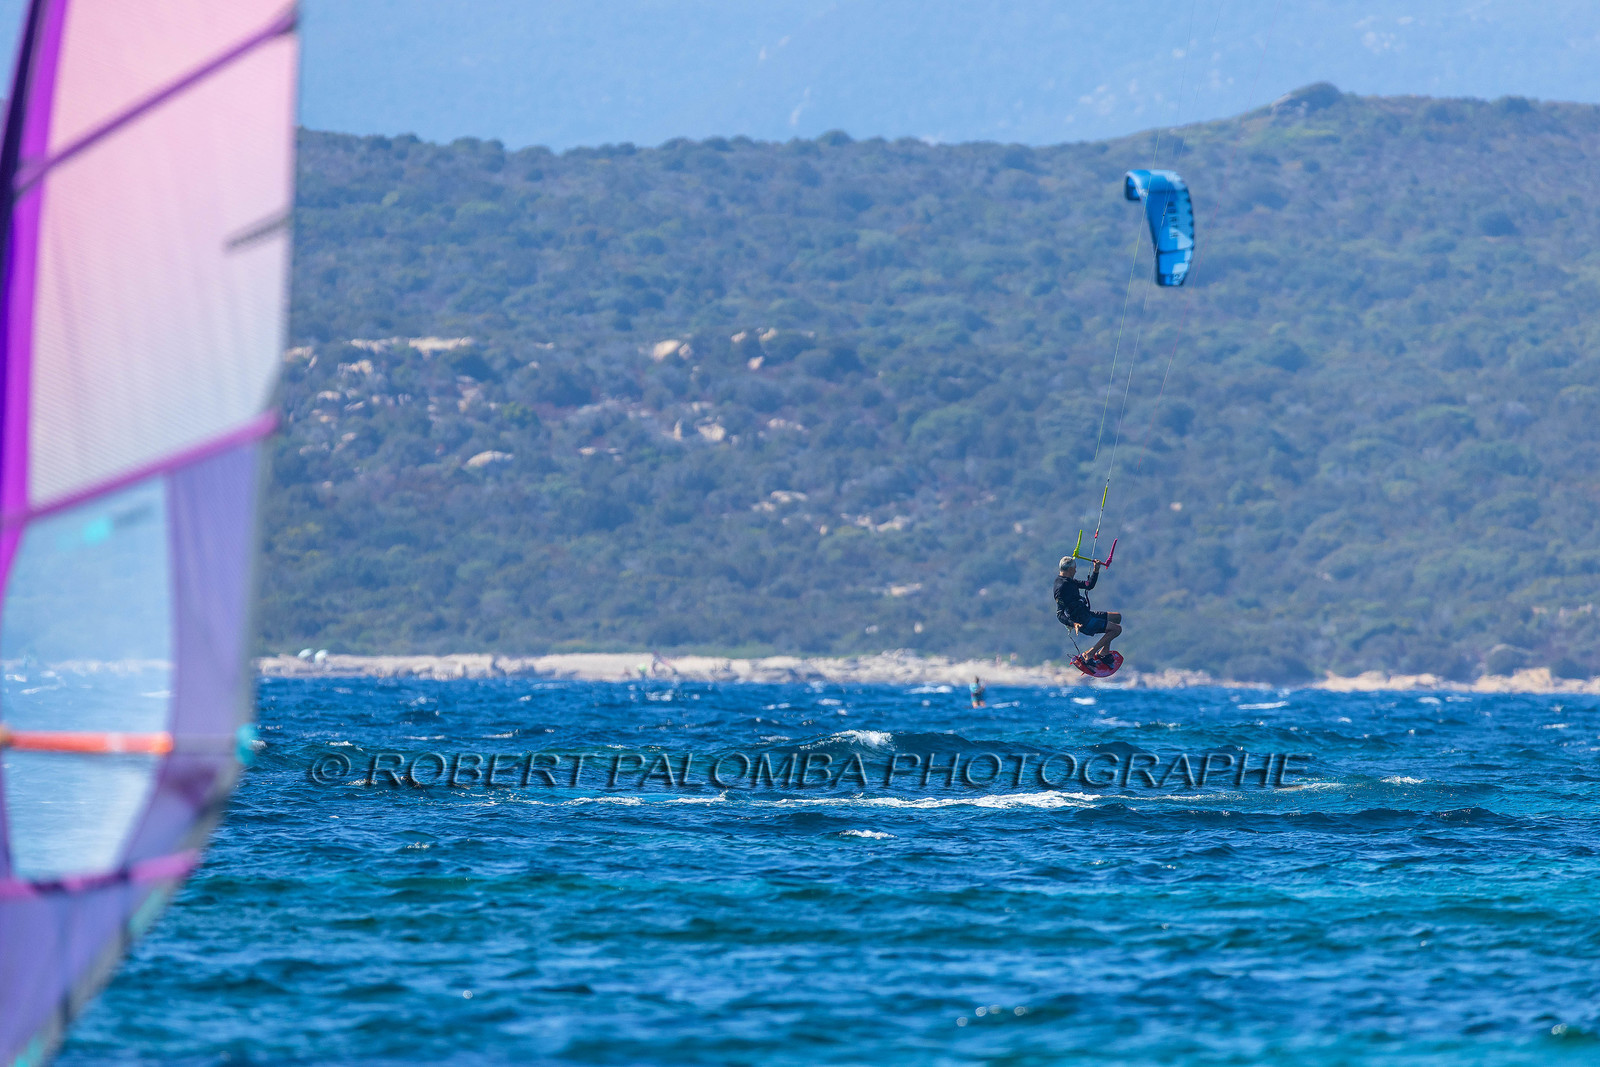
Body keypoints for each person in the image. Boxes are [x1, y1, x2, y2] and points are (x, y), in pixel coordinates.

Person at [1054, 555, 1122, 661]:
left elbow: (1089, 585)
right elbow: (1059, 614)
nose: (1076, 571)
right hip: (1082, 621)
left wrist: (1096, 570)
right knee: (1117, 629)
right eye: (1075, 569)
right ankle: (1090, 653)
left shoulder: (1069, 581)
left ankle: (1104, 652)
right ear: (1071, 569)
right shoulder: (1061, 587)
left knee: (1116, 618)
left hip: (1087, 614)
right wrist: (1074, 624)